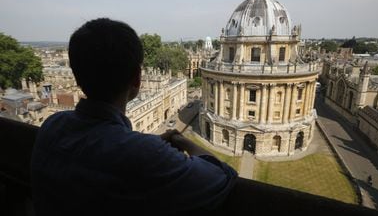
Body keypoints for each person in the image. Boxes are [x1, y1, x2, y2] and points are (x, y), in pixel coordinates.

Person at [31, 18, 238, 215]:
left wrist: (151, 144)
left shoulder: (51, 126)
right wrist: (180, 141)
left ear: (76, 77)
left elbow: (99, 150)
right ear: (138, 79)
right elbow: (221, 177)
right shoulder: (142, 154)